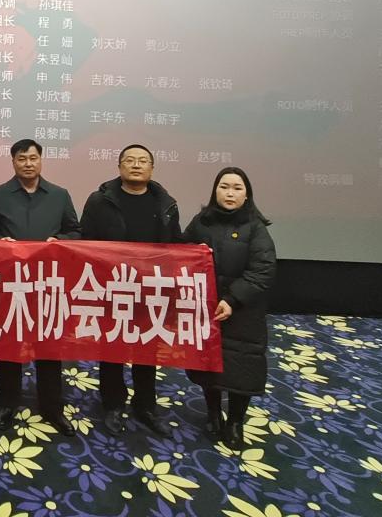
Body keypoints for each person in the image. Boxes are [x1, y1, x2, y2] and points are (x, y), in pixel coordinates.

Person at [79, 144, 182, 437]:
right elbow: (86, 242)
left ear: (152, 168)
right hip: (112, 287)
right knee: (112, 348)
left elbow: (176, 245)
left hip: (152, 289)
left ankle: (145, 405)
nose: (136, 165)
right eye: (130, 160)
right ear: (119, 166)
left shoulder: (166, 203)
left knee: (147, 349)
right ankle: (112, 404)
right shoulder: (100, 201)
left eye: (143, 161)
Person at [0, 138, 81, 437]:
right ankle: (7, 403)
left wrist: (59, 242)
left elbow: (75, 231)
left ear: (41, 160)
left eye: (33, 158)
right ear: (13, 162)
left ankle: (52, 408)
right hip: (10, 282)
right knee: (8, 345)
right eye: (22, 159)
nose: (28, 163)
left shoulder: (60, 195)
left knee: (49, 346)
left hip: (48, 283)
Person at [184, 167, 276, 450]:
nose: (230, 193)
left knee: (242, 367)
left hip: (243, 311)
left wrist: (233, 299)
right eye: (224, 187)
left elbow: (263, 270)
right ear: (215, 191)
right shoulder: (201, 222)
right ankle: (213, 413)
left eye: (237, 188)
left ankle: (235, 421)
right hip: (207, 307)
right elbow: (182, 253)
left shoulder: (255, 227)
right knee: (208, 366)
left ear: (247, 194)